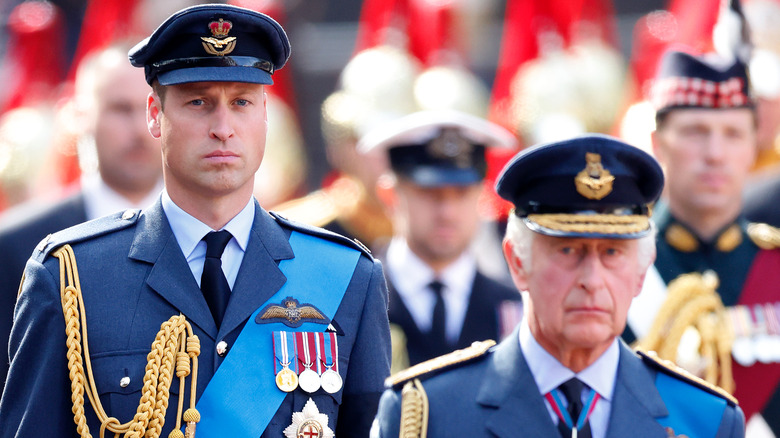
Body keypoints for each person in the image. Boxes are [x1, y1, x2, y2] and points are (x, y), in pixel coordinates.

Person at [0, 4, 390, 438]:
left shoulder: (345, 277)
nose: (223, 127)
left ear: (265, 116)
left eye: (241, 102)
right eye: (199, 102)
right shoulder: (72, 278)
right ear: (154, 114)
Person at [373, 134, 745, 438]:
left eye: (613, 253)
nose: (592, 280)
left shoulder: (705, 420)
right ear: (518, 262)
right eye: (567, 250)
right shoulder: (428, 415)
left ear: (642, 271)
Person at [0, 42, 163, 392]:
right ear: (79, 116)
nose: (139, 130)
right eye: (120, 110)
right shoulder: (15, 246)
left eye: (152, 110)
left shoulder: (213, 236)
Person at [637, 49, 780, 434]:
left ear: (755, 146)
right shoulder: (617, 262)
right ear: (658, 143)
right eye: (695, 132)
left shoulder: (775, 266)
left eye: (733, 134)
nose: (715, 155)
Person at [357, 110, 522, 372]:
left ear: (482, 195)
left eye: (461, 193)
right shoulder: (356, 300)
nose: (447, 212)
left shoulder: (514, 310)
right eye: (429, 193)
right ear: (389, 195)